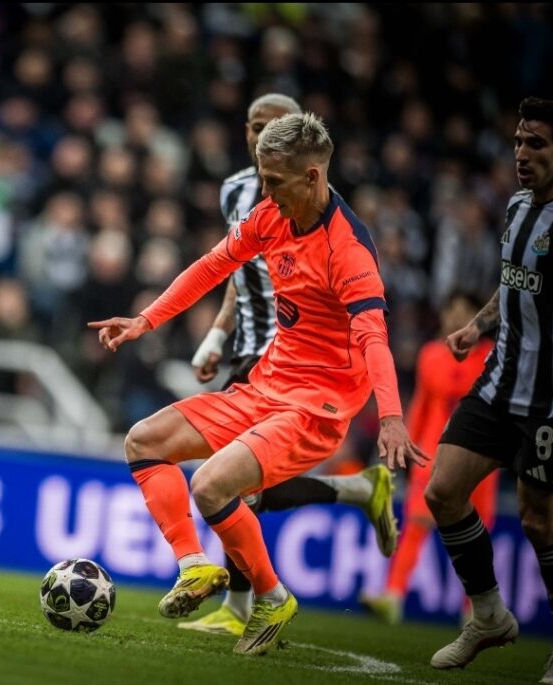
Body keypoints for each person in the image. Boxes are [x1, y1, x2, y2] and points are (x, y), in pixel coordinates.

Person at [89, 112, 424, 656]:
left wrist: (390, 417)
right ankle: (194, 565)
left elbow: (373, 337)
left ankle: (271, 597)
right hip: (266, 386)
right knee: (143, 441)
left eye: (274, 181)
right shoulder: (271, 215)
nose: (264, 192)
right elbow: (212, 266)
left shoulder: (347, 249)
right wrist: (145, 320)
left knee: (211, 486)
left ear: (312, 176)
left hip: (314, 408)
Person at [182, 93, 398, 637]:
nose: (261, 135)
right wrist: (217, 333)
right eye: (254, 126)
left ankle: (243, 605)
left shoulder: (324, 220)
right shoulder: (236, 191)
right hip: (249, 348)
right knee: (234, 484)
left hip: (289, 354)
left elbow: (367, 325)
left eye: (273, 126)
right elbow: (234, 269)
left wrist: (391, 412)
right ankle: (354, 491)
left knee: (231, 483)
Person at [424, 97, 553, 681]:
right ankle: (490, 615)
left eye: (536, 144)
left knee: (537, 520)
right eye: (519, 141)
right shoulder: (517, 206)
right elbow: (512, 284)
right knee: (442, 491)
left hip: (548, 401)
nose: (521, 154)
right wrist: (477, 326)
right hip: (499, 382)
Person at [360, 292, 498, 625]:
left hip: (480, 454)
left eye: (466, 311)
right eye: (452, 310)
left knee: (476, 532)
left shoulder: (492, 356)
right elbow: (422, 403)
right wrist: (407, 445)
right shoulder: (431, 354)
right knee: (417, 523)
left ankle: (475, 609)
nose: (457, 317)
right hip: (432, 451)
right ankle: (393, 596)